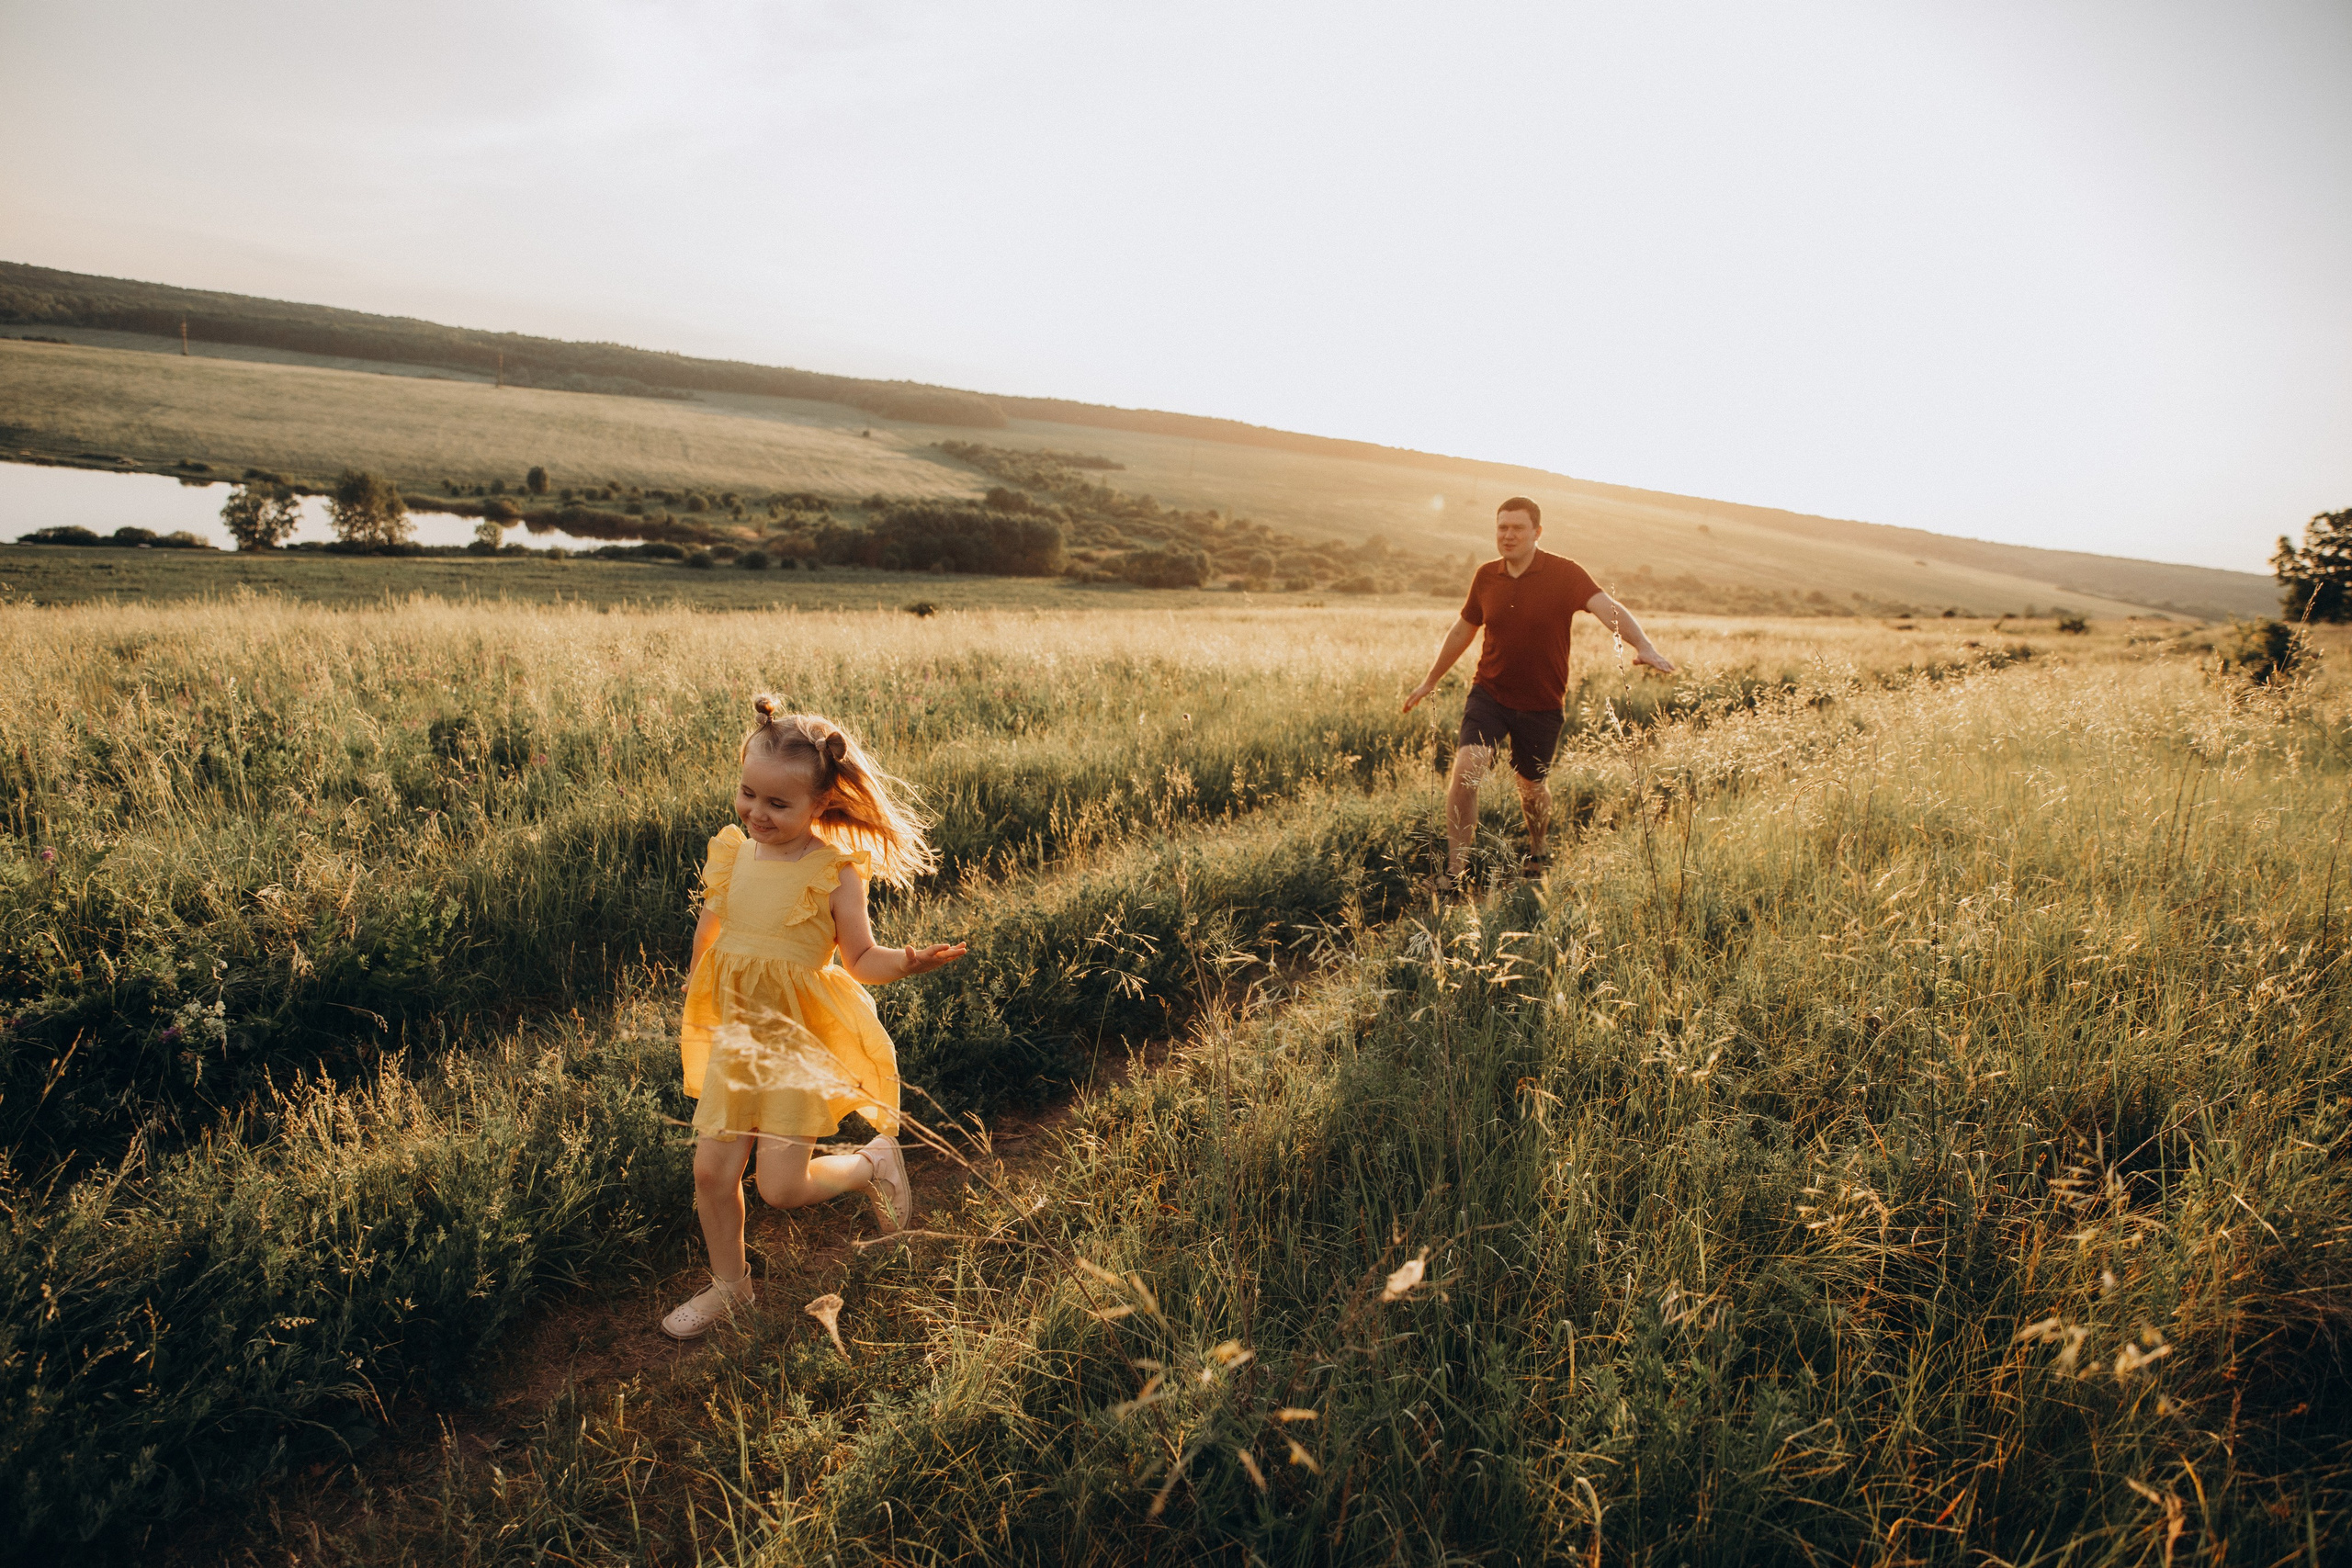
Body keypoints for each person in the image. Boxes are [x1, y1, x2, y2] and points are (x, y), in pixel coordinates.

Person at [662, 699, 967, 1340]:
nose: (757, 813)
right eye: (749, 794)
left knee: (780, 1187)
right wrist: (696, 984)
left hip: (792, 1044)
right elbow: (709, 929)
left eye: (778, 804)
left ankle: (869, 1164)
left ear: (820, 803)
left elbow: (859, 959)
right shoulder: (733, 854)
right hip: (736, 1037)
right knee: (711, 1173)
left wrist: (907, 961)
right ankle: (731, 1288)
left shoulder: (833, 873)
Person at [1403, 497, 1675, 887]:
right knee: (1466, 771)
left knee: (1531, 789)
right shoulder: (1486, 576)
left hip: (1541, 703)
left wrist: (1643, 645)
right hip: (1489, 693)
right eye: (1502, 527)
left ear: (1537, 532)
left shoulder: (1565, 573)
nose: (1508, 535)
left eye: (1517, 528)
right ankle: (1455, 871)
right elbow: (1464, 629)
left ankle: (1538, 847)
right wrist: (1431, 680)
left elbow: (1608, 607)